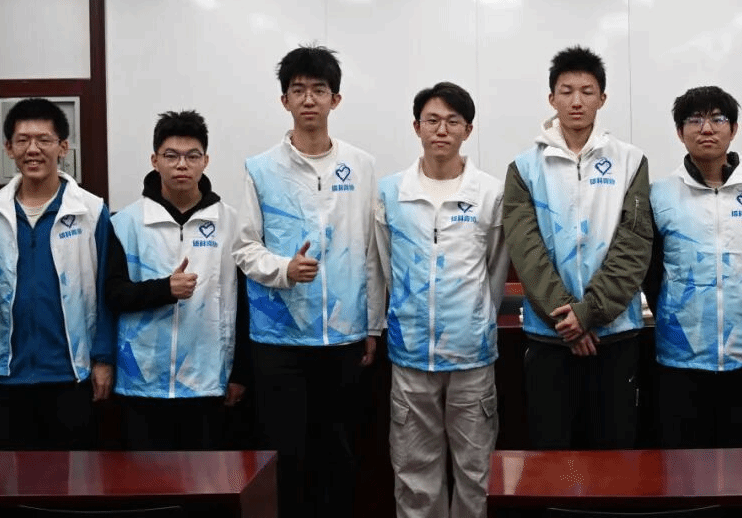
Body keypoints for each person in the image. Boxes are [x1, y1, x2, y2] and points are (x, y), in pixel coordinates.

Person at [233, 45, 383, 518]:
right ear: (285, 101)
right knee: (286, 456)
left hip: (343, 335)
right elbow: (244, 247)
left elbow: (371, 251)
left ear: (335, 99)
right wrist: (284, 270)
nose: (309, 99)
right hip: (278, 338)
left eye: (319, 90)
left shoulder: (362, 165)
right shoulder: (260, 168)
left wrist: (372, 326)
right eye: (298, 90)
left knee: (338, 452)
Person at [502, 45, 653, 450]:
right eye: (566, 91)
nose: (576, 101)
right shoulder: (524, 167)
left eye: (587, 92)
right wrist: (568, 318)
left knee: (614, 453)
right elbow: (525, 248)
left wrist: (589, 312)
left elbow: (634, 243)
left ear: (602, 98)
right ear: (551, 98)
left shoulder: (631, 161)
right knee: (553, 455)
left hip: (615, 335)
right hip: (549, 337)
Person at [376, 82, 508, 518]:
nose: (442, 129)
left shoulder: (489, 193)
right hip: (410, 355)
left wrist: (476, 320)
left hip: (471, 356)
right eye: (432, 120)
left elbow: (495, 268)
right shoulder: (391, 192)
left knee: (476, 473)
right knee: (414, 473)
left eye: (453, 121)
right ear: (416, 127)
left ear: (468, 130)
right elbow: (385, 266)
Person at [0, 97, 114, 449]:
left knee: (74, 473)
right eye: (22, 140)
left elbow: (107, 288)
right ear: (8, 148)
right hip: (5, 373)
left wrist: (103, 359)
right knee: (7, 474)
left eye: (44, 140)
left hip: (71, 372)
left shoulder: (91, 210)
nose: (33, 149)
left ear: (63, 147)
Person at [106, 110, 249, 450]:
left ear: (206, 161)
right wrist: (164, 289)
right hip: (142, 380)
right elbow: (112, 294)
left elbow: (245, 304)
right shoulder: (125, 223)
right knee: (145, 477)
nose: (181, 165)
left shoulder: (232, 224)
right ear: (154, 160)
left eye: (192, 156)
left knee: (207, 477)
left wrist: (241, 373)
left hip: (209, 379)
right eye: (171, 156)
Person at [643, 86, 742, 448]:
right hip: (680, 358)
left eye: (718, 119)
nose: (706, 128)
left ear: (734, 129)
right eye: (694, 120)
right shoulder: (660, 194)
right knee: (684, 463)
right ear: (679, 131)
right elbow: (651, 273)